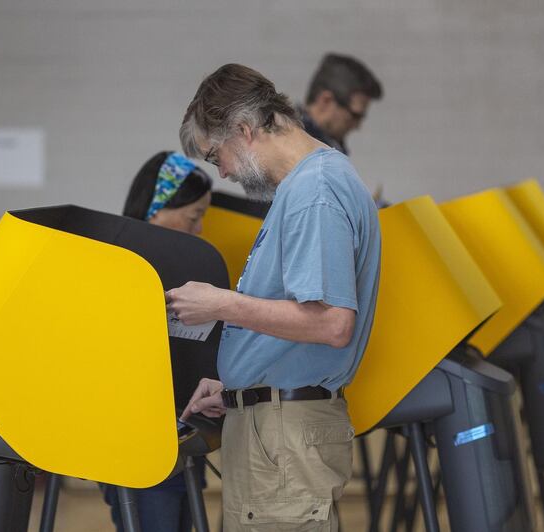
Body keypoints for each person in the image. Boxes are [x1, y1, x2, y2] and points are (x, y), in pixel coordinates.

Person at [168, 64, 381, 530]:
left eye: (215, 155)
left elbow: (330, 323)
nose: (222, 171)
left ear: (243, 131)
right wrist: (241, 388)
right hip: (277, 424)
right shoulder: (309, 186)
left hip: (283, 436)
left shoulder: (314, 191)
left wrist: (220, 303)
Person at [99, 150, 212, 532]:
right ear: (160, 207)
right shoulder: (116, 267)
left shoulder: (186, 271)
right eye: (194, 217)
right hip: (135, 443)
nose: (199, 230)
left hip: (180, 432)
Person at [300, 53, 383, 155]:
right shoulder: (296, 147)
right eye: (355, 115)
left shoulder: (324, 146)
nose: (357, 126)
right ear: (326, 101)